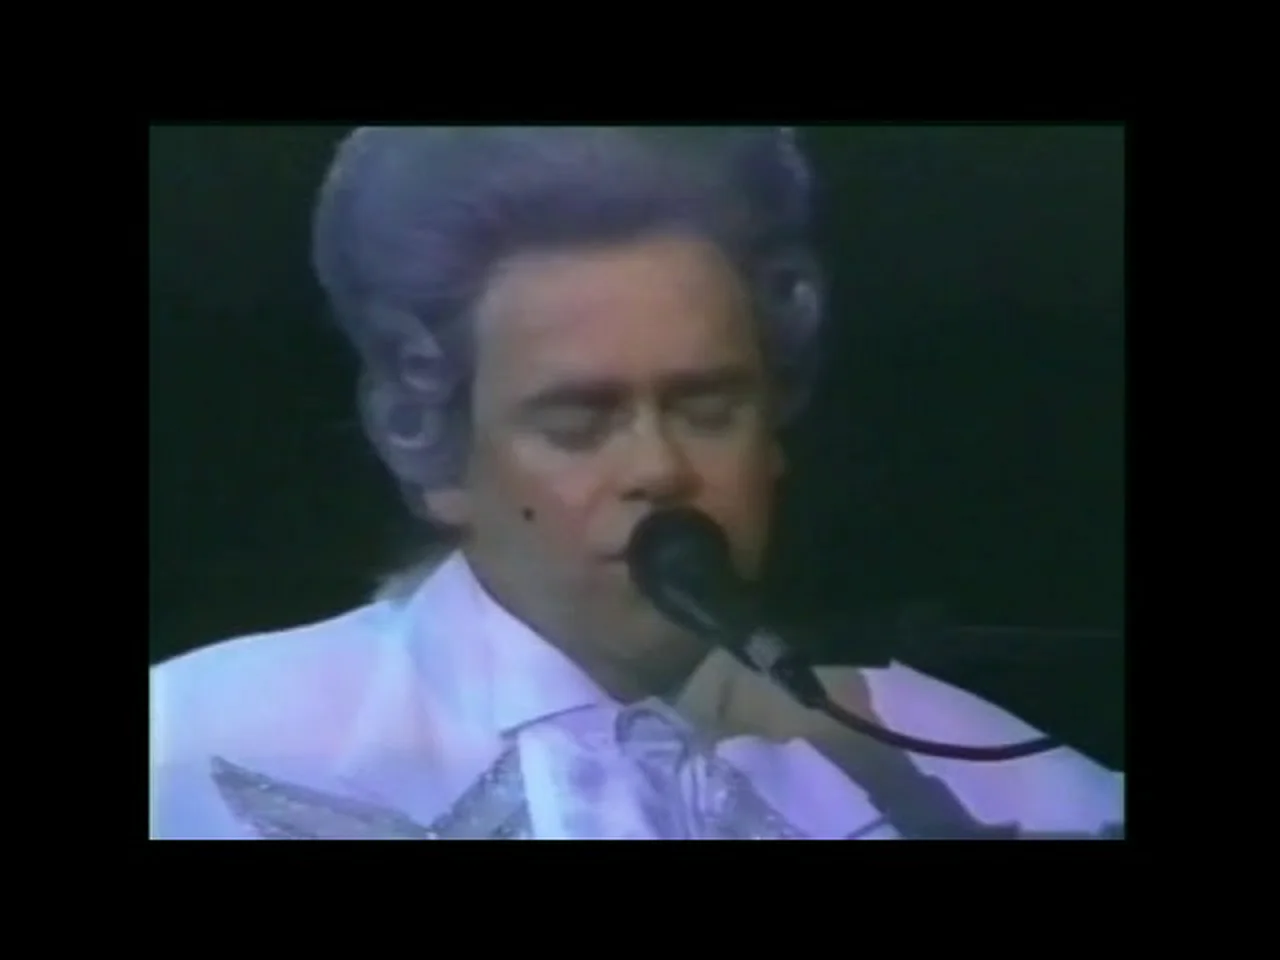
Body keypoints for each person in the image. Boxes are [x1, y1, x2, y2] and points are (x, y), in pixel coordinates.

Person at [149, 126, 1124, 840]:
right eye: (578, 420)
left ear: (773, 433)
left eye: (708, 408)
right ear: (437, 455)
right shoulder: (190, 741)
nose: (659, 469)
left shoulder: (976, 770)